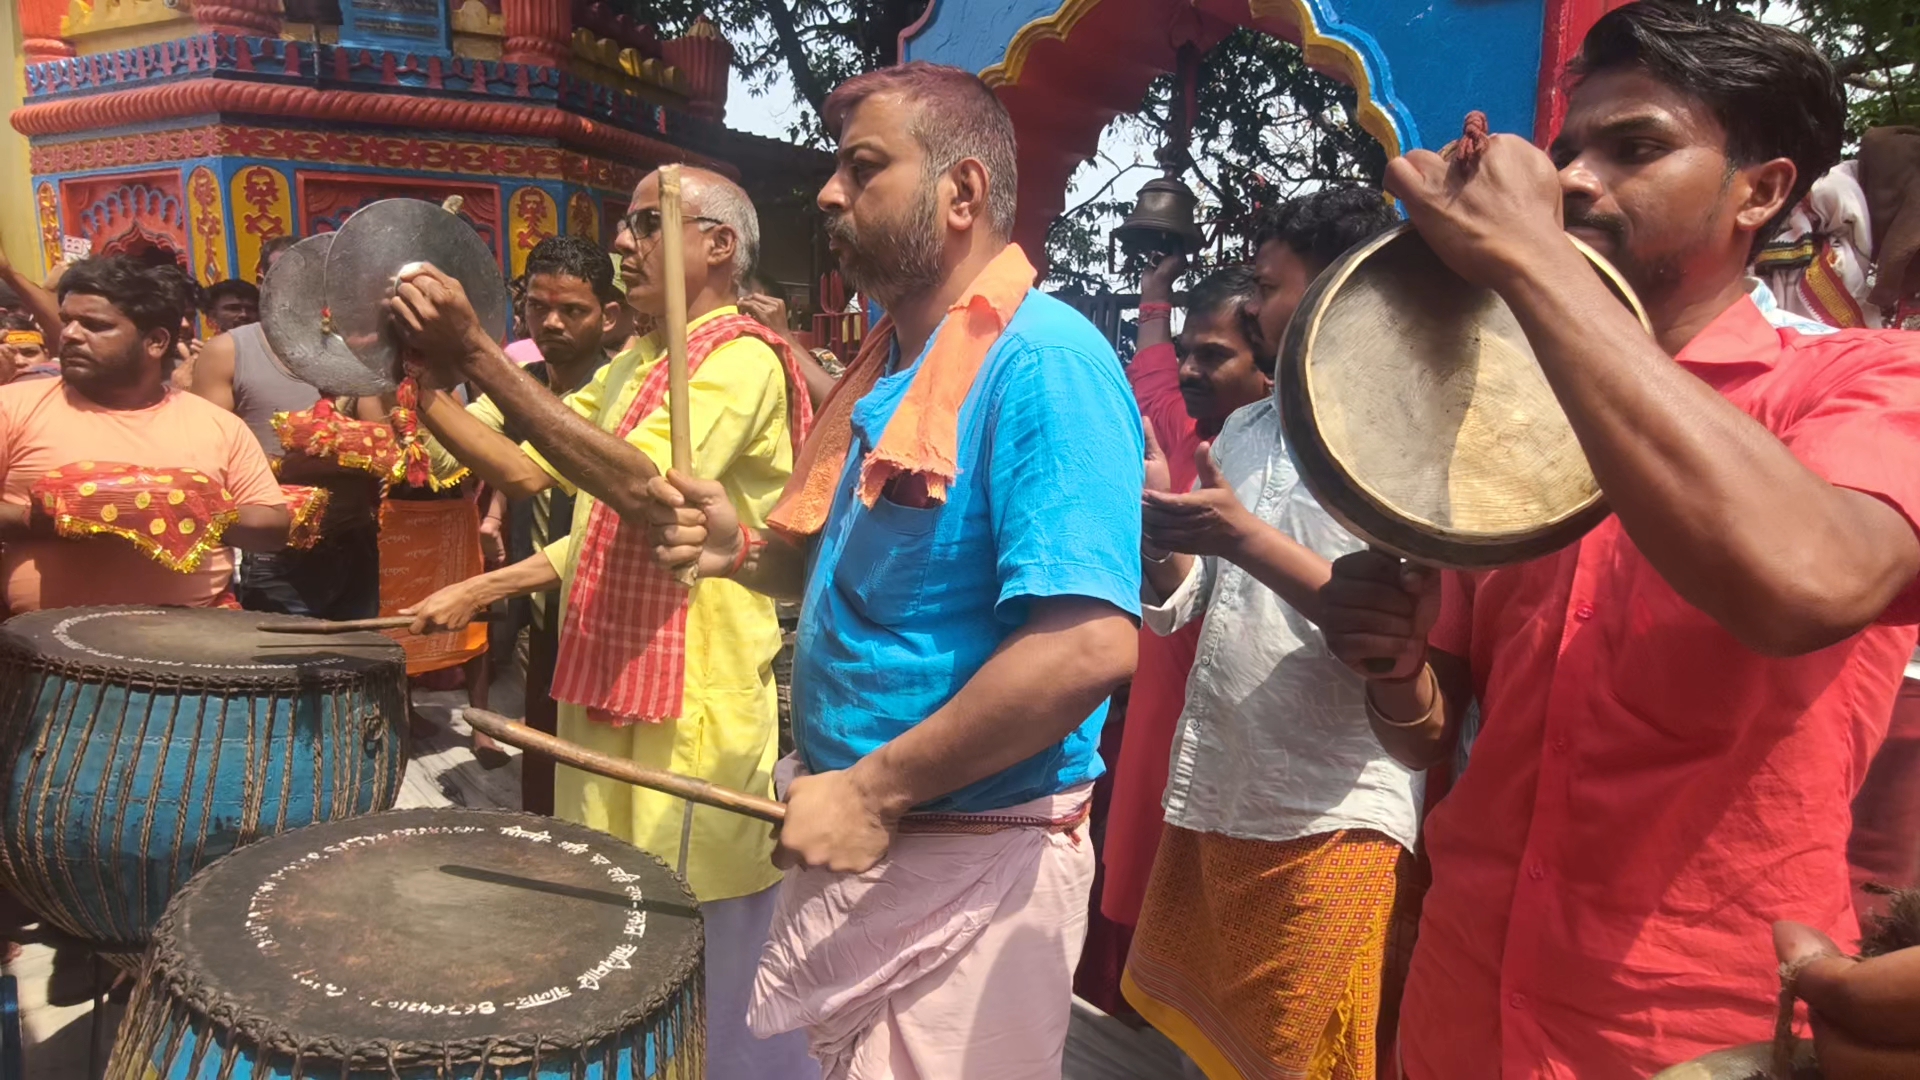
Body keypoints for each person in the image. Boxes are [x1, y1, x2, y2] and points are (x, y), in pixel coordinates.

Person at [1314, 6, 1920, 1077]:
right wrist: (1394, 668)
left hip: (1694, 1036)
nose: (1579, 183)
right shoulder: (1511, 403)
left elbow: (1809, 582)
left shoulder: (1866, 383)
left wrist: (1527, 260)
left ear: (1763, 191)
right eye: (1566, 154)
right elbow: (1435, 731)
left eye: (1636, 148)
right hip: (1461, 1009)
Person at [644, 62, 1143, 1080]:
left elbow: (1088, 645)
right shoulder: (892, 372)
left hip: (965, 856)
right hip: (872, 838)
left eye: (861, 168)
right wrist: (741, 550)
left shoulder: (1044, 362)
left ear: (961, 195)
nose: (829, 194)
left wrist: (873, 790)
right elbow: (857, 587)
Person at [388, 167, 817, 1080]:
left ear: (718, 245)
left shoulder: (741, 358)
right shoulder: (637, 362)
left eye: (645, 224)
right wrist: (429, 387)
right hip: (608, 675)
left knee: (694, 920)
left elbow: (637, 485)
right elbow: (537, 474)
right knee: (615, 899)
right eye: (625, 225)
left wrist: (479, 353)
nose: (623, 244)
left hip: (687, 691)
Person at [415, 233, 622, 799]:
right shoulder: (522, 385)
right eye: (538, 306)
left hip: (603, 614)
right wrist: (422, 376)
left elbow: (523, 473)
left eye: (572, 310)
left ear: (609, 317)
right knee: (544, 772)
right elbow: (440, 459)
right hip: (543, 617)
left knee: (594, 780)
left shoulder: (620, 391)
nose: (551, 323)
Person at [0, 256, 289, 614]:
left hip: (192, 643)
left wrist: (185, 505)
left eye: (94, 325)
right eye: (67, 321)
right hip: (43, 651)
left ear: (155, 341)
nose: (71, 335)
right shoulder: (11, 407)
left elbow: (273, 527)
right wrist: (39, 519)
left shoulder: (217, 424)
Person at [192, 235, 386, 622]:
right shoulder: (229, 352)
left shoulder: (350, 353)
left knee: (359, 663)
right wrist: (289, 468)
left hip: (354, 541)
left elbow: (382, 441)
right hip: (273, 552)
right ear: (264, 279)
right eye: (291, 275)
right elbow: (209, 461)